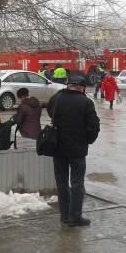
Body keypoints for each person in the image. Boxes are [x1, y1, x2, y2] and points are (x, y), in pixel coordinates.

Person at [47, 76, 100, 227]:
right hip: (77, 148)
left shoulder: (56, 99)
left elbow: (52, 114)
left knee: (61, 181)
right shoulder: (86, 102)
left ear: (68, 86)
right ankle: (75, 216)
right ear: (82, 88)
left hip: (57, 147)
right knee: (77, 182)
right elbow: (93, 127)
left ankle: (64, 215)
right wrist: (87, 140)